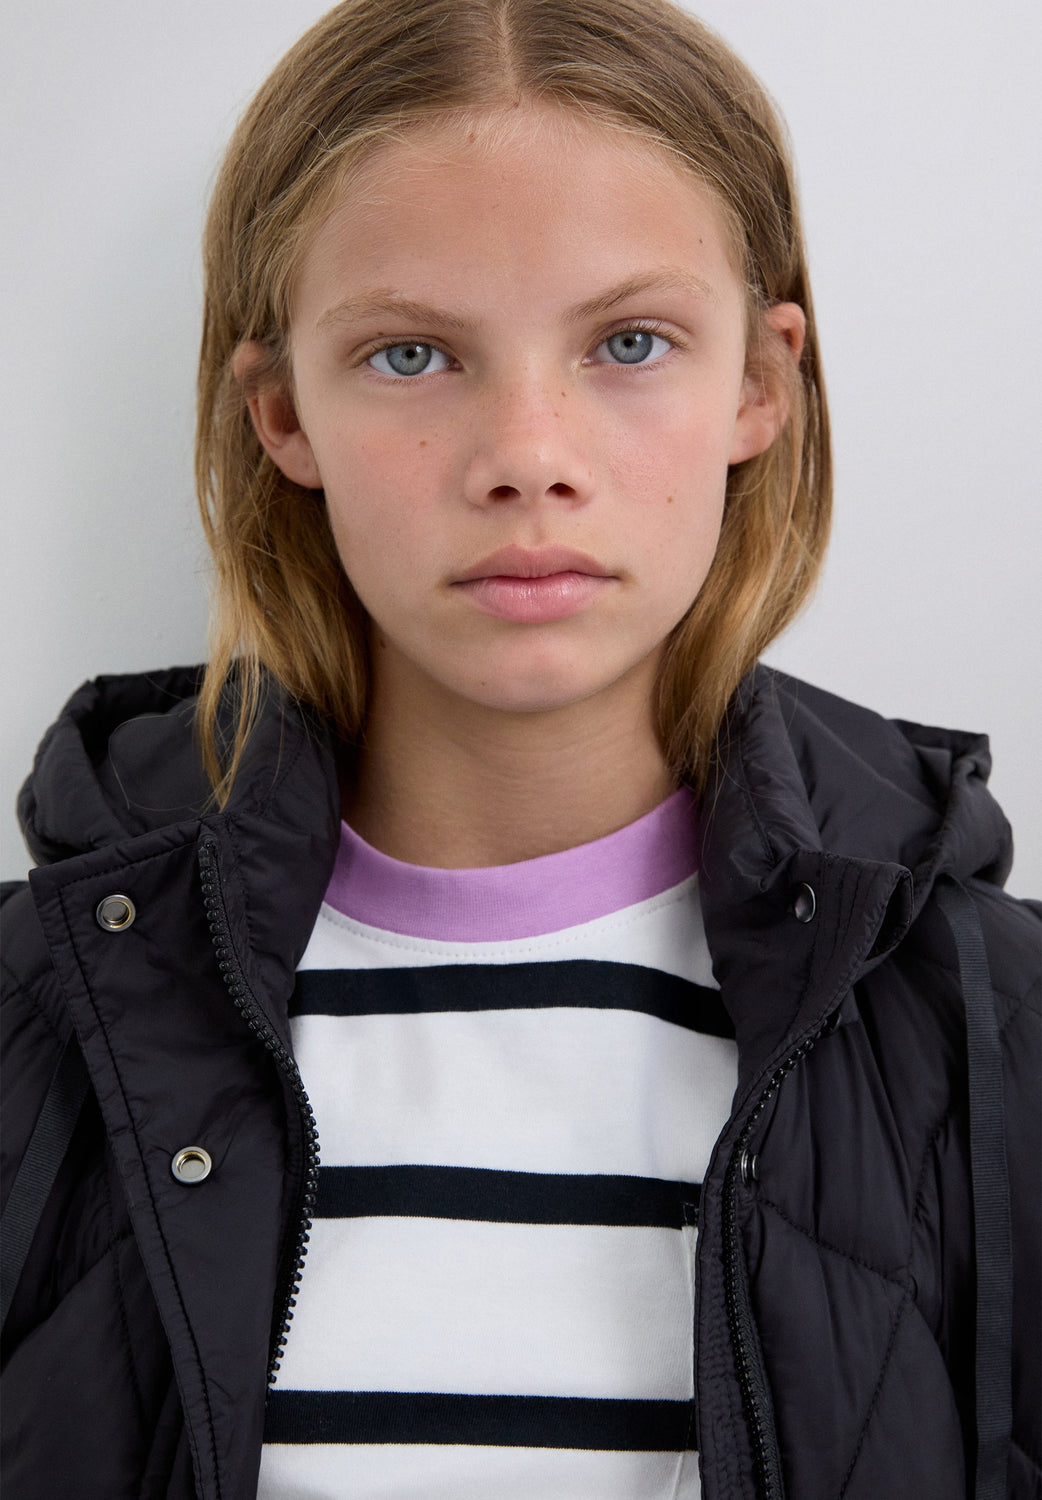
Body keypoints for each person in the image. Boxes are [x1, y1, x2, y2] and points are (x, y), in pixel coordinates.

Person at [1, 0, 1038, 1495]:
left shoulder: (997, 1033)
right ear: (282, 412)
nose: (527, 458)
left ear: (760, 384)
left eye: (630, 342)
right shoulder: (36, 1016)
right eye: (412, 354)